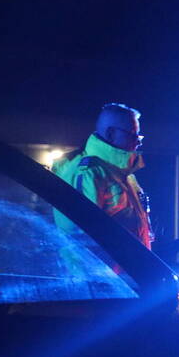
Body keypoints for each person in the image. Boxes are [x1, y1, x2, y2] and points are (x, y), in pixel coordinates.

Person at [53, 103, 153, 249]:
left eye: (139, 136)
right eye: (132, 134)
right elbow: (80, 239)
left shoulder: (124, 175)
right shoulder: (88, 173)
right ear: (111, 134)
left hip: (124, 264)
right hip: (104, 265)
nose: (138, 141)